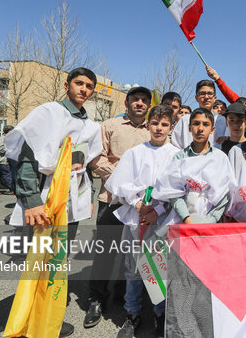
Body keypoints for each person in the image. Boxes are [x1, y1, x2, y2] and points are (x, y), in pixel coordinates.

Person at [5, 67, 103, 338]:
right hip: (45, 201)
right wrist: (32, 201)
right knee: (38, 260)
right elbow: (26, 159)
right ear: (67, 84)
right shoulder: (48, 113)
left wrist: (88, 198)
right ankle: (29, 322)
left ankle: (47, 319)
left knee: (57, 263)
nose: (84, 89)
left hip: (72, 205)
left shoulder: (89, 125)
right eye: (79, 83)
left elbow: (85, 167)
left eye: (89, 86)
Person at [104, 105, 178, 338]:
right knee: (133, 267)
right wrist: (137, 203)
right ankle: (132, 313)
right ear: (148, 125)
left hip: (162, 218)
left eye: (164, 124)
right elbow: (119, 182)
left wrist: (157, 208)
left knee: (159, 267)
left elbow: (177, 189)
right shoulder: (134, 153)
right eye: (155, 123)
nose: (159, 128)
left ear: (171, 127)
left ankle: (160, 313)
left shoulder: (177, 154)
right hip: (136, 217)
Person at [84, 85, 152, 329]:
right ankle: (96, 300)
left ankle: (126, 300)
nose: (140, 103)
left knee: (132, 255)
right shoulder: (110, 126)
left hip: (139, 205)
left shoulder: (153, 130)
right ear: (127, 102)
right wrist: (121, 179)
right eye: (136, 99)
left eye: (145, 100)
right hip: (111, 199)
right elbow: (96, 158)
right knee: (105, 253)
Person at [153, 108, 234, 225]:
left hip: (208, 223)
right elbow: (173, 193)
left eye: (205, 124)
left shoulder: (220, 158)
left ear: (212, 130)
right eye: (196, 124)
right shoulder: (180, 157)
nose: (200, 129)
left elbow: (224, 195)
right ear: (189, 128)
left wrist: (208, 221)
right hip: (179, 220)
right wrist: (187, 219)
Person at [170, 80, 228, 150]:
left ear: (215, 98)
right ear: (196, 98)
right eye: (202, 93)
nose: (206, 97)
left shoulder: (223, 121)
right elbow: (175, 145)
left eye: (210, 93)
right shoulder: (185, 120)